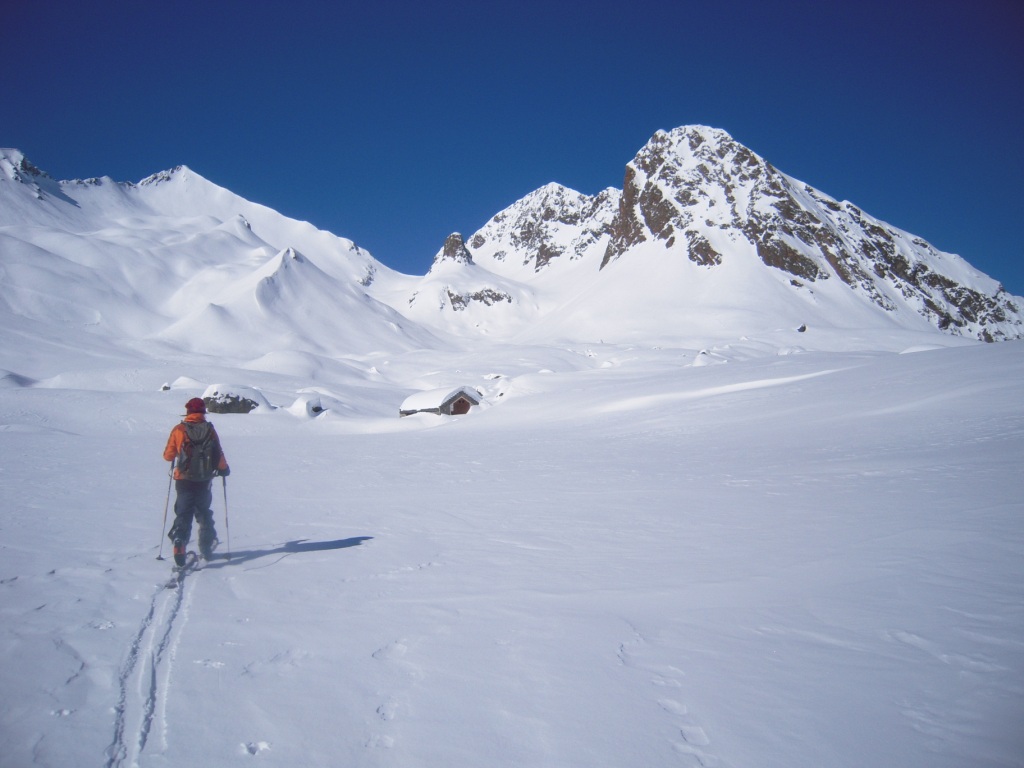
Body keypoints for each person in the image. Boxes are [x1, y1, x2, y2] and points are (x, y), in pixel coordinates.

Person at [163, 397, 230, 565]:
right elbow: (218, 451)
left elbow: (168, 456)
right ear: (203, 412)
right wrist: (223, 468)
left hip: (183, 479)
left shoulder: (179, 429)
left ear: (188, 412)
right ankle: (206, 547)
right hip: (204, 479)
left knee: (183, 512)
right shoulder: (209, 429)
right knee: (203, 512)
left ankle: (179, 540)